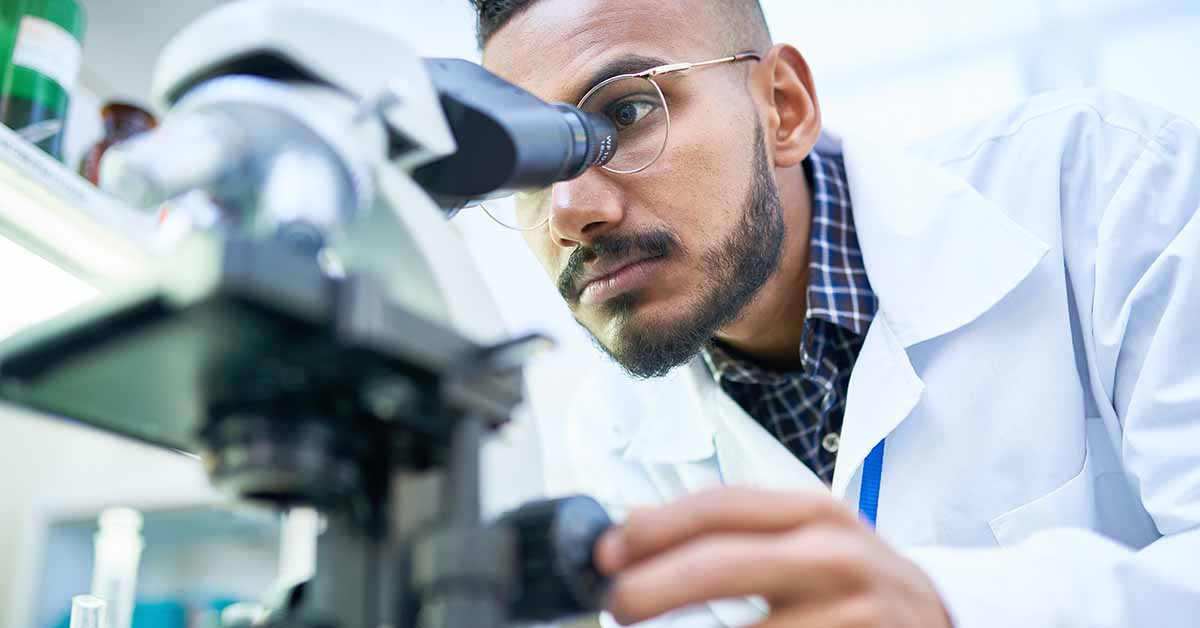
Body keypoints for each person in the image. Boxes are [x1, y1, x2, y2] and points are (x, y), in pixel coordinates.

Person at [470, 1, 1200, 627]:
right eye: (530, 168)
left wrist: (953, 608)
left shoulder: (1106, 184)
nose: (570, 214)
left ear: (783, 106)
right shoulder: (617, 439)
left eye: (624, 114)